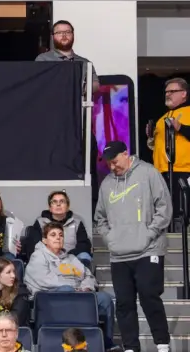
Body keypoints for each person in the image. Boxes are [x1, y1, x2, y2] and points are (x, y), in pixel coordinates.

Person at [95, 141, 171, 352]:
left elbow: (164, 207)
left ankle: (162, 344)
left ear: (126, 154)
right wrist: (110, 239)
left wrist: (149, 233)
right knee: (124, 302)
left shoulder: (148, 173)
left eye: (115, 161)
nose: (112, 166)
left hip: (148, 249)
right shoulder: (107, 184)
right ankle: (130, 347)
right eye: (109, 163)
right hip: (119, 254)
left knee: (149, 296)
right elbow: (100, 218)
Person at [24, 223, 115, 343]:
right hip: (49, 299)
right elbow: (45, 281)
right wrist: (75, 288)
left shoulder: (71, 258)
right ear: (44, 240)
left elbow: (88, 276)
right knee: (66, 290)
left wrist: (86, 288)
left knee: (104, 299)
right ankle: (69, 340)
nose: (58, 238)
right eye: (53, 235)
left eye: (61, 235)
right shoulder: (38, 256)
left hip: (78, 294)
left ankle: (107, 343)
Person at [152, 77, 190, 220]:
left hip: (184, 171)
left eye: (172, 91)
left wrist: (181, 128)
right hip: (162, 173)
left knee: (183, 211)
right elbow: (154, 146)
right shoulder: (162, 119)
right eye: (166, 92)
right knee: (167, 213)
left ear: (184, 93)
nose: (168, 94)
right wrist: (150, 137)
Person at [21, 190, 92, 264]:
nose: (58, 204)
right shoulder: (40, 222)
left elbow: (84, 245)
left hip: (71, 259)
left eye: (62, 201)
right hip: (48, 259)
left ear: (67, 207)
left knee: (84, 255)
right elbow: (34, 246)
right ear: (50, 207)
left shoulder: (77, 222)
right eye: (54, 202)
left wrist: (66, 256)